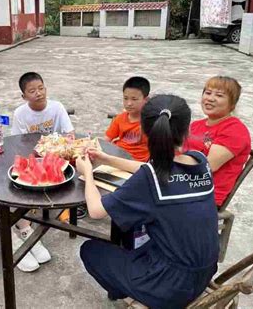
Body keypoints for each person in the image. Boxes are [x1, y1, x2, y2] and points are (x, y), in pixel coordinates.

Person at [76, 95, 219, 308]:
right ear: (187, 130)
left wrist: (87, 173)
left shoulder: (150, 177)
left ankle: (128, 291)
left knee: (90, 250)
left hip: (170, 287)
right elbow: (152, 171)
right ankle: (131, 280)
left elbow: (96, 211)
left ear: (144, 131)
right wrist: (107, 158)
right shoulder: (200, 161)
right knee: (136, 235)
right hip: (205, 271)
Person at [11, 72, 68, 272]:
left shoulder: (57, 107)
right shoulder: (20, 113)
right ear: (24, 96)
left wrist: (55, 148)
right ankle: (23, 228)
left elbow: (68, 134)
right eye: (32, 91)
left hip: (54, 158)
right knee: (15, 182)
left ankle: (51, 214)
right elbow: (17, 143)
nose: (38, 93)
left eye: (41, 88)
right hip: (32, 159)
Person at [183, 76, 251, 207]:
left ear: (232, 104)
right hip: (181, 183)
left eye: (219, 95)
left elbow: (208, 166)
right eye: (207, 93)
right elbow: (179, 151)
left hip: (204, 196)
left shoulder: (235, 130)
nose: (210, 98)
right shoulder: (196, 125)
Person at [105, 76, 150, 162]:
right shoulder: (120, 118)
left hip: (138, 163)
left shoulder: (151, 122)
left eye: (134, 99)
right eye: (125, 98)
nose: (129, 103)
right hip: (117, 157)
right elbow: (106, 140)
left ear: (146, 99)